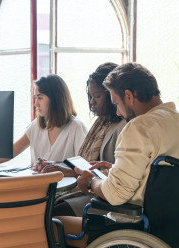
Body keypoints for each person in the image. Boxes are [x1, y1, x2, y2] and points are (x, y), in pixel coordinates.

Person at [71, 62, 179, 209]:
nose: (117, 112)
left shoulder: (139, 127)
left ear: (128, 96)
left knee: (54, 223)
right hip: (175, 223)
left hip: (133, 224)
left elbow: (115, 194)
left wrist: (91, 181)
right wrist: (118, 170)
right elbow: (163, 181)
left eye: (116, 104)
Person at [35, 63, 127, 216]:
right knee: (43, 205)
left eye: (97, 96)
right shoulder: (102, 124)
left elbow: (106, 175)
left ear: (112, 94)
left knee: (52, 212)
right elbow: (88, 166)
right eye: (90, 97)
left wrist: (67, 171)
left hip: (102, 196)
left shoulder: (122, 127)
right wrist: (60, 167)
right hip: (93, 190)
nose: (92, 102)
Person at [0, 74, 88, 166]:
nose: (36, 104)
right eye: (35, 98)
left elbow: (84, 167)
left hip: (63, 194)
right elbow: (9, 153)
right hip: (39, 190)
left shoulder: (76, 127)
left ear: (56, 98)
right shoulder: (37, 126)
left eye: (40, 97)